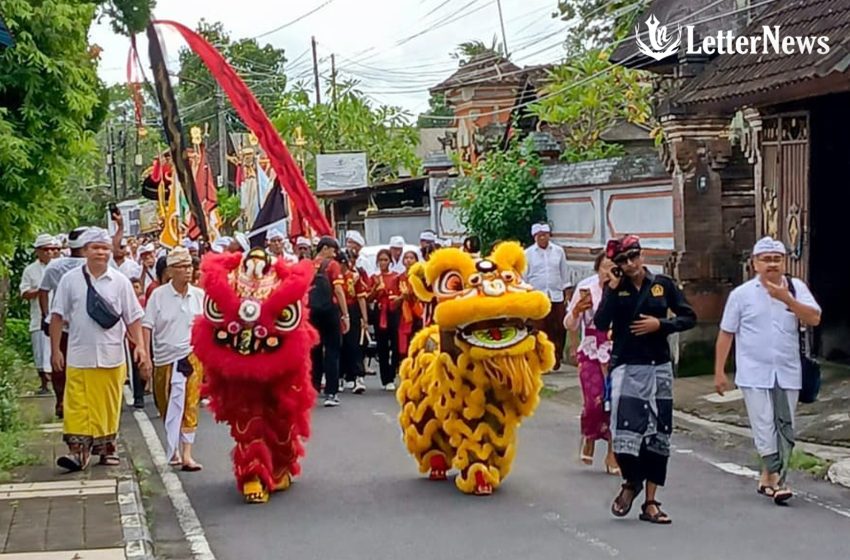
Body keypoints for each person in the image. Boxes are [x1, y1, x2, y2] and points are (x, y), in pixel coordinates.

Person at [594, 235, 696, 525]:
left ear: (642, 255)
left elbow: (689, 317)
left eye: (634, 257)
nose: (630, 264)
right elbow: (601, 324)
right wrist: (611, 289)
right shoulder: (616, 289)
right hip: (627, 366)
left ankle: (651, 502)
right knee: (624, 432)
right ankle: (632, 480)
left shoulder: (662, 284)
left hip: (659, 366)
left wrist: (660, 325)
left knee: (658, 435)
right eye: (623, 261)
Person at [714, 236, 821, 504]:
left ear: (784, 262)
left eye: (777, 259)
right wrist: (719, 371)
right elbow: (727, 333)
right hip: (753, 371)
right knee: (763, 424)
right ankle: (778, 479)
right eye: (766, 259)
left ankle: (768, 478)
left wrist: (786, 298)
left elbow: (814, 318)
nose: (772, 264)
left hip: (788, 369)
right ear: (754, 263)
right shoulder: (741, 295)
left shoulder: (796, 288)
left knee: (785, 424)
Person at [50, 228, 148, 471]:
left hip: (111, 355)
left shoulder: (120, 282)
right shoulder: (69, 280)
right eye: (95, 248)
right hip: (78, 355)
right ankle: (77, 452)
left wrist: (141, 348)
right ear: (84, 251)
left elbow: (133, 317)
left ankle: (107, 449)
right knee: (77, 406)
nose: (101, 252)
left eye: (105, 248)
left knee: (108, 404)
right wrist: (55, 350)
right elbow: (57, 316)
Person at [142, 247, 205, 472]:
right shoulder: (158, 296)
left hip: (191, 356)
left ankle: (187, 453)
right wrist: (145, 357)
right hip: (164, 358)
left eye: (189, 266)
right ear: (170, 271)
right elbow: (147, 326)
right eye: (181, 267)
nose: (187, 271)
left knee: (190, 404)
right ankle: (173, 447)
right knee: (167, 404)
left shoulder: (199, 295)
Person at [565, 252, 619, 475]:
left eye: (613, 268)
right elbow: (570, 324)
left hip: (617, 351)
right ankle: (589, 435)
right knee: (594, 402)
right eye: (605, 267)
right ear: (597, 269)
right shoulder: (586, 289)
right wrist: (577, 310)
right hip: (591, 351)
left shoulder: (623, 290)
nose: (609, 272)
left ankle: (613, 453)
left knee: (617, 405)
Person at [39, 226, 89, 418]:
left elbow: (43, 291)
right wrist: (47, 316)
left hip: (69, 326)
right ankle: (64, 401)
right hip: (68, 325)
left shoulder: (55, 266)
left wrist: (45, 315)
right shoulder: (62, 266)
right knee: (62, 363)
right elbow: (44, 291)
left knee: (61, 363)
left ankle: (65, 400)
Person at [524, 223, 571, 370]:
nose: (543, 238)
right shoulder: (528, 254)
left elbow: (564, 273)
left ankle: (557, 357)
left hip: (556, 296)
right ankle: (542, 360)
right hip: (538, 297)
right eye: (539, 235)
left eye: (545, 234)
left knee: (559, 328)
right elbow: (524, 277)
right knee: (540, 329)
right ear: (535, 237)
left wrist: (567, 294)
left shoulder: (558, 251)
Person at [311, 237, 350, 407]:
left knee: (314, 352)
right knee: (332, 351)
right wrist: (345, 314)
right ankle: (331, 393)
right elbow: (339, 290)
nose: (334, 254)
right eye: (333, 250)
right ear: (325, 248)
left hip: (311, 312)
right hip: (330, 311)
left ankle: (313, 389)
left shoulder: (307, 264)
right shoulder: (332, 265)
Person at [20, 234, 60, 394]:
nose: (49, 252)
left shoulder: (60, 267)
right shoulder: (30, 270)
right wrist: (41, 290)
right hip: (39, 318)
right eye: (46, 249)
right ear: (38, 251)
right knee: (40, 353)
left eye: (52, 249)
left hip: (59, 317)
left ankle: (58, 385)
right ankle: (44, 384)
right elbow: (24, 292)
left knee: (57, 352)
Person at [338, 250, 369, 394]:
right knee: (338, 345)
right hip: (336, 311)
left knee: (355, 344)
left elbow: (361, 297)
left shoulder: (354, 277)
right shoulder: (332, 277)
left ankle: (358, 377)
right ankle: (340, 377)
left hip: (352, 310)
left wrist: (365, 318)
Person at [371, 249, 401, 390]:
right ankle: (386, 378)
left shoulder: (396, 277)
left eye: (385, 260)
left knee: (396, 345)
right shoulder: (375, 278)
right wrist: (376, 289)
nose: (383, 262)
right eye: (381, 260)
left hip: (394, 312)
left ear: (390, 261)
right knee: (382, 346)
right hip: (379, 312)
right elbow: (368, 298)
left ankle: (393, 371)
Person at [398, 250, 423, 361]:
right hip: (403, 313)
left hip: (417, 311)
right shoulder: (399, 277)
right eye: (406, 258)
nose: (408, 260)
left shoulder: (420, 277)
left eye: (411, 258)